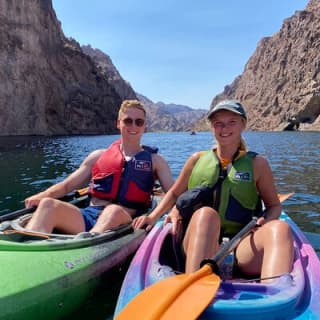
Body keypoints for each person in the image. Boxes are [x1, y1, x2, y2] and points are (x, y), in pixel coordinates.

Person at [133, 99, 294, 282]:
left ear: (243, 124)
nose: (224, 128)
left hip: (240, 246)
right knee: (206, 215)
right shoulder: (196, 160)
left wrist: (266, 221)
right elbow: (175, 193)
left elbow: (274, 206)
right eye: (218, 124)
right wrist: (153, 217)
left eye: (232, 122)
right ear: (212, 127)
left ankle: (275, 297)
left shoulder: (258, 165)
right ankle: (192, 290)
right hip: (197, 243)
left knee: (281, 228)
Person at [25, 99, 174, 235]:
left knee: (112, 211)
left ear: (144, 126)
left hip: (126, 220)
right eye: (128, 121)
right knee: (48, 205)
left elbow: (174, 194)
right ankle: (26, 252)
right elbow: (67, 186)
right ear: (118, 123)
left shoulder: (156, 161)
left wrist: (153, 217)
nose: (133, 126)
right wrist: (42, 195)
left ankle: (85, 250)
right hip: (89, 215)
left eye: (139, 122)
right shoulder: (98, 156)